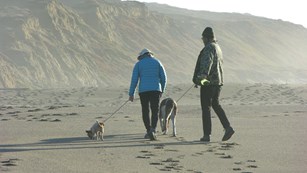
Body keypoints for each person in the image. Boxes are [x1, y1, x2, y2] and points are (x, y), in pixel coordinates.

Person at [192, 27, 234, 142]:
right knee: (215, 104)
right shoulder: (218, 47)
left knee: (206, 107)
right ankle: (228, 127)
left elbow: (207, 63)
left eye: (203, 38)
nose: (202, 40)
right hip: (218, 82)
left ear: (206, 38)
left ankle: (207, 135)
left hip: (208, 82)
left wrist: (201, 78)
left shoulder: (209, 47)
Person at [129, 48, 167, 140]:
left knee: (145, 111)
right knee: (155, 110)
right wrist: (162, 89)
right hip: (155, 90)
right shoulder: (158, 62)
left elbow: (134, 80)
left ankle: (148, 129)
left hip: (143, 91)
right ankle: (153, 129)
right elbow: (164, 78)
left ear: (142, 56)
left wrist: (131, 93)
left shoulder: (138, 64)